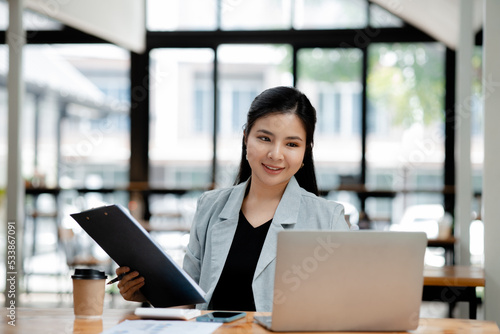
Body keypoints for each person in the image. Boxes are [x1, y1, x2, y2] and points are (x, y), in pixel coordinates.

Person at [116, 86, 349, 312]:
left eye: (291, 144)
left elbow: (343, 308)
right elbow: (189, 300)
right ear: (246, 138)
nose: (275, 154)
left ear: (305, 150)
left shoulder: (328, 220)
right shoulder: (210, 207)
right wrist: (149, 293)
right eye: (265, 138)